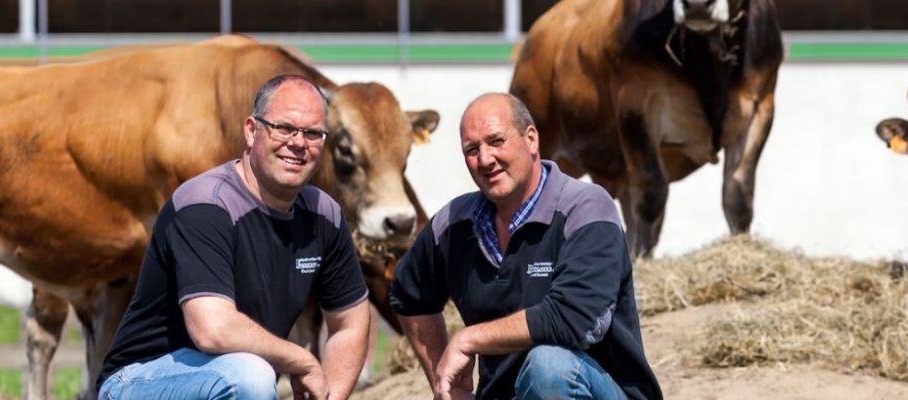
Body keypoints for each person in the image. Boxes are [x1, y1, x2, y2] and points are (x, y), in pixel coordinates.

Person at [97, 75, 373, 400]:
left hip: (228, 376)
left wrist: (330, 394)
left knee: (251, 373)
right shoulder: (207, 204)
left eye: (313, 133)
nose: (298, 143)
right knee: (250, 377)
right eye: (284, 128)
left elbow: (351, 322)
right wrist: (302, 360)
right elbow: (213, 330)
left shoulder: (324, 215)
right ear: (251, 131)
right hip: (139, 381)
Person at [390, 93, 662, 400]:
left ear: (531, 139)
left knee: (548, 367)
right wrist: (448, 384)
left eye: (496, 141)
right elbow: (407, 294)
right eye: (472, 150)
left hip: (599, 390)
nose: (485, 159)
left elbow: (574, 318)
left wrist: (468, 340)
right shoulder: (453, 224)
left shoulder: (586, 208)